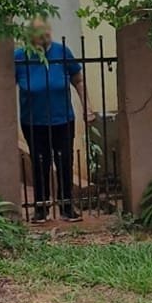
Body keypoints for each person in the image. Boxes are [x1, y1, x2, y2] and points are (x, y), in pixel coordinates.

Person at [15, 19, 92, 222]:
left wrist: (87, 108)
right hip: (33, 121)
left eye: (46, 32)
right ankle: (41, 208)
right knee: (40, 163)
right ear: (31, 36)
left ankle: (67, 205)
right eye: (39, 33)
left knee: (64, 160)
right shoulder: (20, 56)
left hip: (62, 119)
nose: (44, 37)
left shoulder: (62, 51)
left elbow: (78, 80)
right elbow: (6, 87)